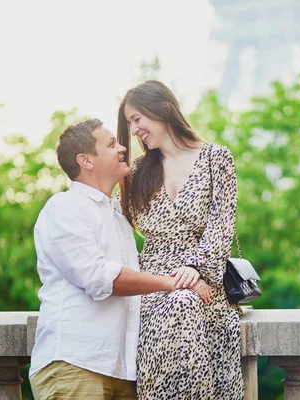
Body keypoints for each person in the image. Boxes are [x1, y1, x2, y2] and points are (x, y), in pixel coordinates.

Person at [29, 118, 211, 400]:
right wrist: (171, 283)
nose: (123, 148)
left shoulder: (118, 216)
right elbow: (100, 278)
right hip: (76, 365)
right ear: (86, 160)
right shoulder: (65, 208)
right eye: (111, 144)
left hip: (123, 372)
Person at [118, 80, 244, 400]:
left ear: (163, 109)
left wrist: (195, 269)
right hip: (152, 286)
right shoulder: (137, 170)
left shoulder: (217, 158)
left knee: (185, 301)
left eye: (137, 119)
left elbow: (221, 225)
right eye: (130, 123)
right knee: (178, 300)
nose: (134, 130)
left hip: (203, 283)